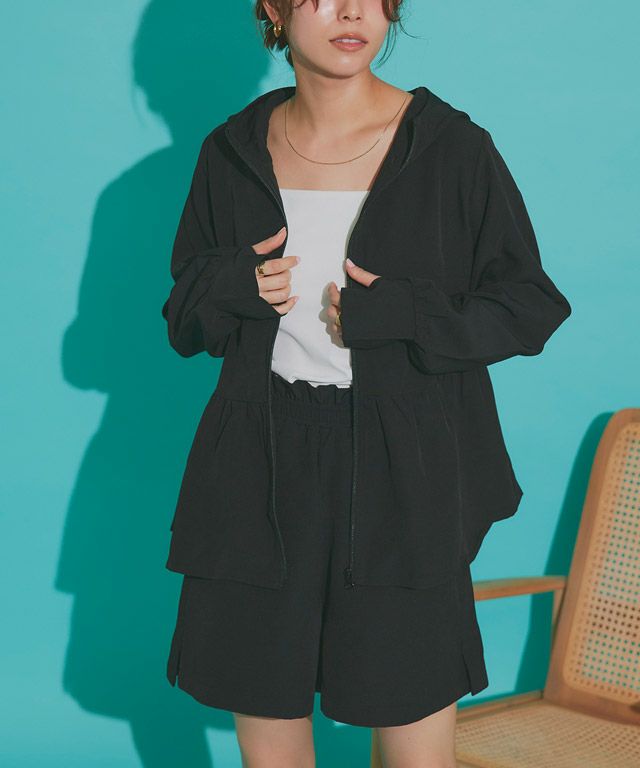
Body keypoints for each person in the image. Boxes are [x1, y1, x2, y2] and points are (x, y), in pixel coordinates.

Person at [163, 1, 572, 766]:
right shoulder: (232, 150)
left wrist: (408, 314)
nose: (352, 11)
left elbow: (529, 307)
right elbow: (185, 320)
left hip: (403, 468)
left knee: (414, 736)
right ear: (273, 9)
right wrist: (234, 287)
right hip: (258, 461)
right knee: (269, 735)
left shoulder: (451, 148)